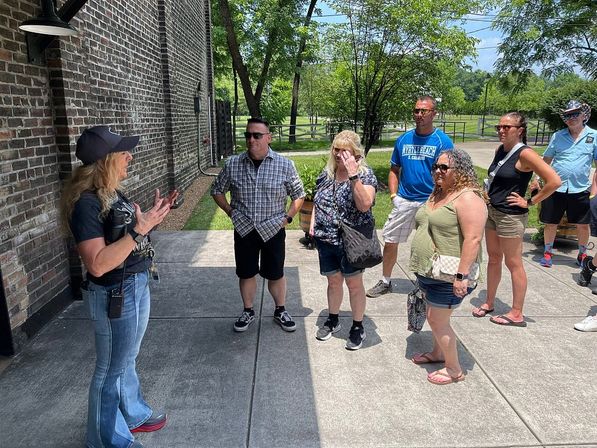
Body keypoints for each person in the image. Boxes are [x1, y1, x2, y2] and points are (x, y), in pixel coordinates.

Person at [60, 126, 178, 448]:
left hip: (134, 284)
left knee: (127, 358)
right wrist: (139, 231)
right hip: (114, 293)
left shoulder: (110, 192)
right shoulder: (85, 204)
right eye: (122, 152)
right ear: (105, 160)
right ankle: (104, 439)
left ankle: (133, 413)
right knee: (109, 369)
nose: (130, 156)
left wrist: (150, 220)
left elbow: (127, 237)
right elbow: (97, 263)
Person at [212, 117, 305, 332]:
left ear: (269, 138)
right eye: (248, 135)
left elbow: (299, 195)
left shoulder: (284, 165)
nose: (251, 139)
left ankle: (280, 309)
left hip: (273, 228)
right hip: (244, 229)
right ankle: (248, 310)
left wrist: (288, 218)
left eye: (257, 135)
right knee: (246, 272)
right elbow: (217, 190)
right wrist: (230, 211)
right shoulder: (233, 164)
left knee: (276, 273)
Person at [472, 112, 561, 326]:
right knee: (494, 258)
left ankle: (516, 313)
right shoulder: (500, 150)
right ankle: (489, 302)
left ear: (520, 130)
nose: (501, 130)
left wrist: (530, 201)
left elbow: (554, 181)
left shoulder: (526, 154)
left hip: (510, 216)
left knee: (514, 263)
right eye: (499, 127)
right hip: (492, 211)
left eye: (507, 127)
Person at [409, 149, 486, 384]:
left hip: (450, 274)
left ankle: (454, 369)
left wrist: (461, 276)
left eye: (445, 168)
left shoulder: (468, 198)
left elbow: (473, 239)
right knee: (436, 317)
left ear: (460, 170)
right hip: (430, 271)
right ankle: (438, 353)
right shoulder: (440, 193)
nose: (438, 172)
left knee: (437, 320)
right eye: (436, 167)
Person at [366, 96, 453, 298]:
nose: (419, 115)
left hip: (430, 201)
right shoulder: (403, 140)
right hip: (405, 199)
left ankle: (428, 283)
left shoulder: (442, 141)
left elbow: (448, 174)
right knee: (390, 240)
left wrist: (440, 199)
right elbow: (394, 169)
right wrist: (394, 195)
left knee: (430, 244)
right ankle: (386, 281)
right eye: (416, 111)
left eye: (424, 111)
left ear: (434, 114)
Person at [310, 131, 378, 350]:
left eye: (344, 150)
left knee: (354, 284)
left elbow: (365, 204)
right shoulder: (326, 174)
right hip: (326, 240)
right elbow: (318, 200)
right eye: (335, 149)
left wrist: (353, 175)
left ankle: (358, 326)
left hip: (351, 242)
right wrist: (313, 222)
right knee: (333, 282)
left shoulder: (365, 175)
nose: (338, 154)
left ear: (356, 153)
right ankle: (333, 319)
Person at [532, 101, 597, 267]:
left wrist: (594, 192)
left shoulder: (593, 136)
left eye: (575, 114)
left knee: (583, 225)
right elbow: (545, 161)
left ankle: (582, 254)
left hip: (581, 188)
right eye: (568, 115)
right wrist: (536, 179)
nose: (571, 118)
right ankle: (547, 253)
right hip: (556, 187)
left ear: (584, 115)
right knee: (550, 222)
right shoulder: (557, 136)